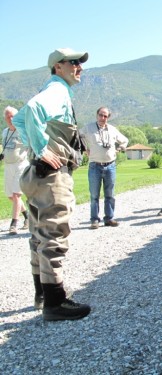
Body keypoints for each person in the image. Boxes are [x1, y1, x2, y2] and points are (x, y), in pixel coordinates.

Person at [12, 47, 91, 321]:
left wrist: (37, 148)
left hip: (36, 174)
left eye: (80, 63)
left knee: (38, 235)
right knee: (54, 236)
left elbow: (19, 119)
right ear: (58, 66)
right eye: (74, 63)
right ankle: (55, 302)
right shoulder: (57, 91)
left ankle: (41, 293)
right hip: (52, 176)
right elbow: (32, 110)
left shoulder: (55, 89)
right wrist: (42, 147)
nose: (79, 67)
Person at [80, 107, 129, 229]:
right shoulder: (88, 128)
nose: (103, 118)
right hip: (95, 165)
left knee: (110, 194)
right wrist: (84, 148)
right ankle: (94, 220)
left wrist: (119, 149)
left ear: (108, 117)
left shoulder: (112, 130)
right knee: (94, 195)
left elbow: (125, 140)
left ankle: (109, 218)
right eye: (101, 115)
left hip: (110, 165)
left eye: (105, 116)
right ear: (97, 115)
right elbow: (77, 136)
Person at [2, 106, 30, 235]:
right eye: (7, 116)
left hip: (20, 164)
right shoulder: (5, 132)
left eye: (12, 116)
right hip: (8, 166)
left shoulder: (23, 131)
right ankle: (27, 216)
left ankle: (14, 224)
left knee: (16, 195)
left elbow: (31, 144)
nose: (10, 118)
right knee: (10, 196)